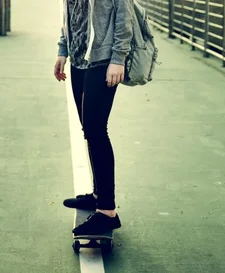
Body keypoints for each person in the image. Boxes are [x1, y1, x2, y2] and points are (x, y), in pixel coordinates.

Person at [53, 0, 135, 235]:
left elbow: (124, 17)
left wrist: (118, 58)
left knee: (97, 131)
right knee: (89, 130)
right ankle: (99, 195)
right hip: (79, 61)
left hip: (102, 60)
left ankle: (107, 211)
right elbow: (70, 15)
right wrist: (62, 50)